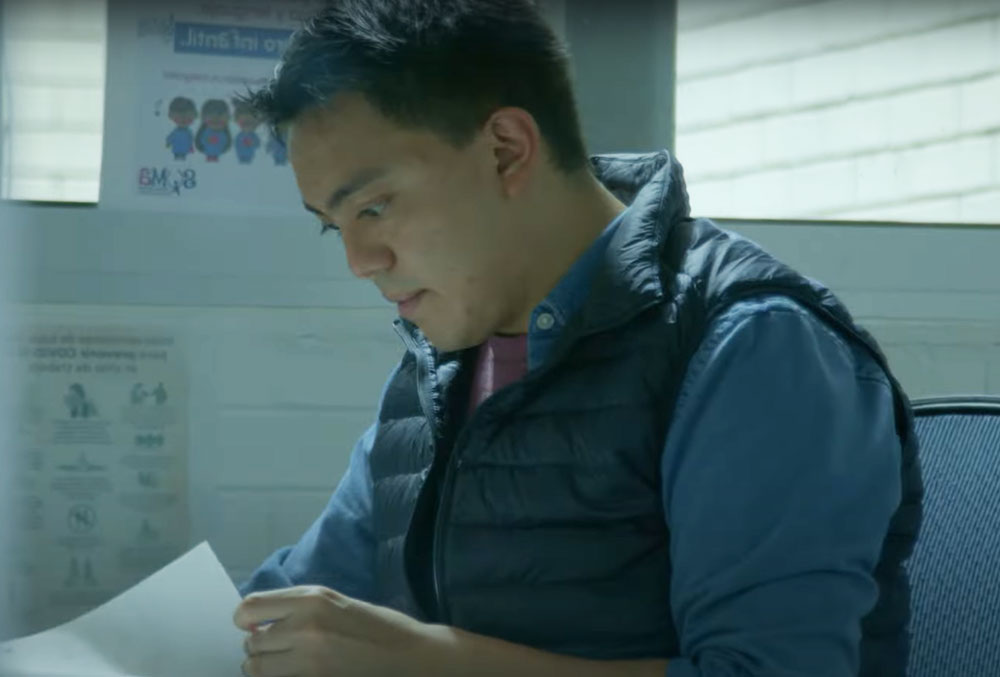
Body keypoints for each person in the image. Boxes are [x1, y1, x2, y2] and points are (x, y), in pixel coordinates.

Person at [233, 2, 923, 676]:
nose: (359, 260)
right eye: (334, 224)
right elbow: (291, 617)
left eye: (374, 207)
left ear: (506, 150)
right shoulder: (440, 361)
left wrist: (431, 662)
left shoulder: (755, 347)